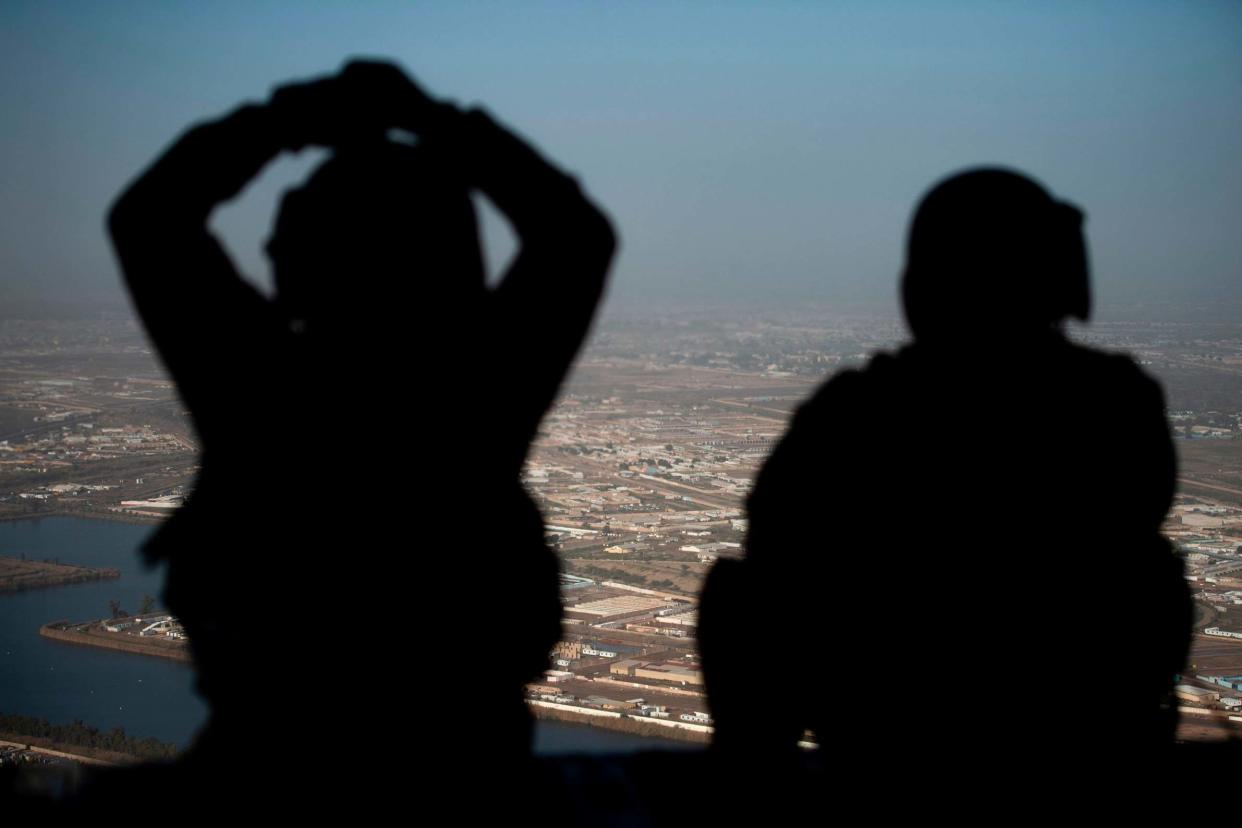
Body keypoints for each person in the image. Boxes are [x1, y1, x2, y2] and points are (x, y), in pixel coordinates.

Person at [105, 60, 615, 800]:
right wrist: (432, 117)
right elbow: (575, 236)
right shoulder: (476, 404)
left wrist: (292, 117)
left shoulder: (258, 394)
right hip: (469, 780)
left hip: (264, 777)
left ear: (304, 262)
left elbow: (151, 217)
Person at [699, 168, 1189, 794]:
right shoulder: (1117, 405)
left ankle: (748, 783)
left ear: (920, 289)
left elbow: (772, 557)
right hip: (1084, 743)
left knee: (741, 595)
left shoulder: (856, 415)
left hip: (886, 746)